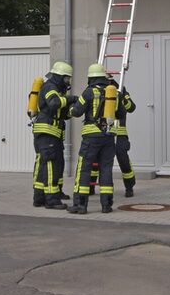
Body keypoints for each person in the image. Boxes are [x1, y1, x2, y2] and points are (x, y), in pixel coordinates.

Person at [68, 63, 116, 214]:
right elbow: (120, 113)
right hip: (109, 137)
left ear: (91, 78)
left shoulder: (88, 92)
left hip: (91, 137)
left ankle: (80, 205)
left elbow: (76, 111)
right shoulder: (114, 93)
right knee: (106, 169)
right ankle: (106, 205)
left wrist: (69, 109)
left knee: (84, 169)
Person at [32, 61, 77, 210]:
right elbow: (53, 103)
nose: (68, 81)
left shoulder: (57, 89)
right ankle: (51, 200)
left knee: (50, 164)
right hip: (47, 133)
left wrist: (77, 108)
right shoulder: (50, 87)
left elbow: (62, 114)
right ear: (59, 77)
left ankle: (40, 197)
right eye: (66, 78)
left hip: (52, 133)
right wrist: (71, 99)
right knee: (51, 165)